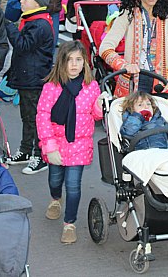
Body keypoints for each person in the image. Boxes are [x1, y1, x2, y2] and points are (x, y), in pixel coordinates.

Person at [37, 41, 105, 244]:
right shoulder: (51, 87)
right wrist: (49, 146)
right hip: (56, 144)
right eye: (69, 60)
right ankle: (55, 199)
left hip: (80, 145)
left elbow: (95, 115)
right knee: (55, 180)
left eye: (79, 60)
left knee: (74, 186)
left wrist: (101, 105)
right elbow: (43, 116)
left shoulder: (91, 86)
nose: (74, 65)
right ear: (61, 62)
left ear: (85, 62)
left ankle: (70, 224)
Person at [5, 0, 56, 174]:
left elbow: (23, 45)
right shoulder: (32, 19)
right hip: (28, 78)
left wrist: (8, 27)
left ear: (37, 1)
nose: (21, 2)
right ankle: (26, 150)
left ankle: (39, 154)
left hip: (35, 79)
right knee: (27, 116)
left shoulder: (40, 24)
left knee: (36, 118)